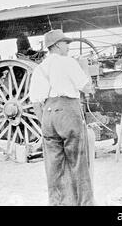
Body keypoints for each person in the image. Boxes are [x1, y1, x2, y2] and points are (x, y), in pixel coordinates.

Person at [29, 29, 95, 205]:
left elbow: (35, 101)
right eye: (66, 43)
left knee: (53, 167)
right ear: (57, 45)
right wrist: (85, 67)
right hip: (68, 112)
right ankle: (85, 204)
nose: (68, 46)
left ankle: (57, 203)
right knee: (78, 162)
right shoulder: (69, 63)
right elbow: (87, 88)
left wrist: (45, 122)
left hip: (48, 116)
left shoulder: (40, 68)